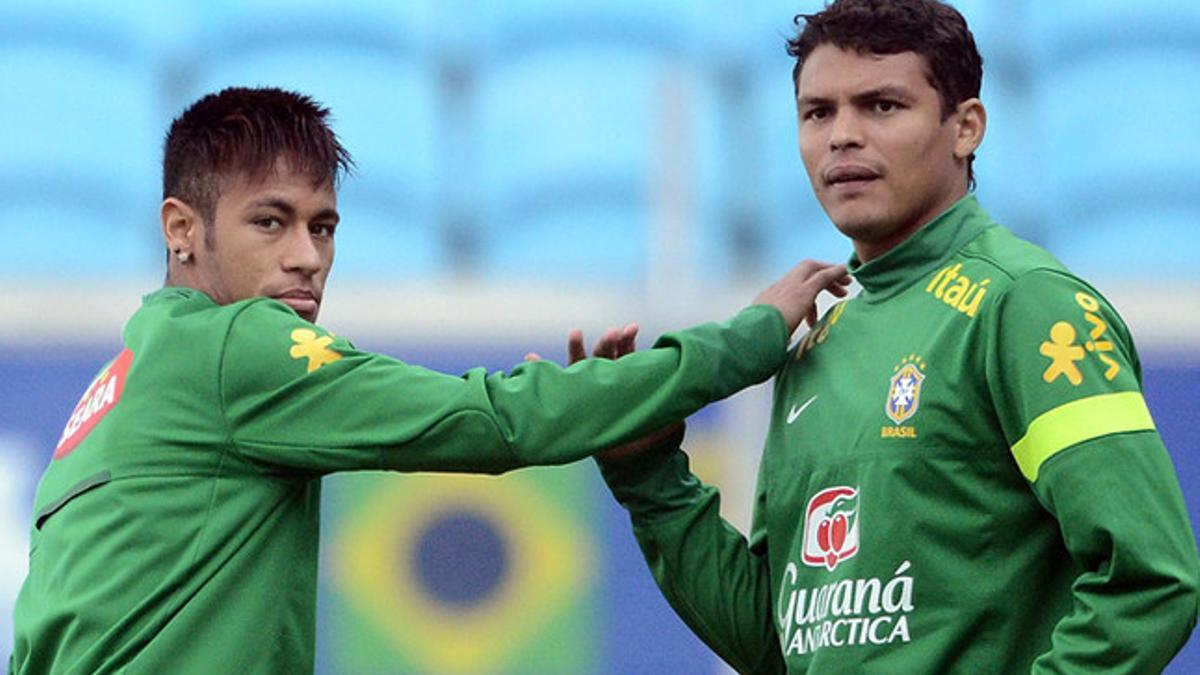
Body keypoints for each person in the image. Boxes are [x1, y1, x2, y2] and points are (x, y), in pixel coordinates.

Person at [7, 87, 852, 674]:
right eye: (271, 221)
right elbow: (491, 421)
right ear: (181, 229)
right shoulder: (237, 347)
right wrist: (749, 338)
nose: (307, 255)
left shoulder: (114, 390)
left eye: (324, 225)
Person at [594, 1, 1200, 672]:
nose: (842, 137)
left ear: (965, 127)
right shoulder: (819, 334)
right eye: (818, 113)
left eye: (881, 106)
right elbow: (783, 641)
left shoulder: (1026, 305)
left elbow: (1150, 578)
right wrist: (649, 476)